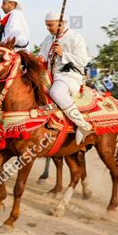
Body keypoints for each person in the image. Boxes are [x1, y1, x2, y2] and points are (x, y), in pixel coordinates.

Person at [39, 12, 93, 144]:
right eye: (47, 25)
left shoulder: (75, 38)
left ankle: (83, 125)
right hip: (49, 76)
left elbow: (83, 61)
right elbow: (42, 56)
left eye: (50, 25)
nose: (48, 28)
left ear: (60, 23)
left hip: (69, 76)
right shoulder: (48, 39)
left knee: (56, 92)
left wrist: (64, 54)